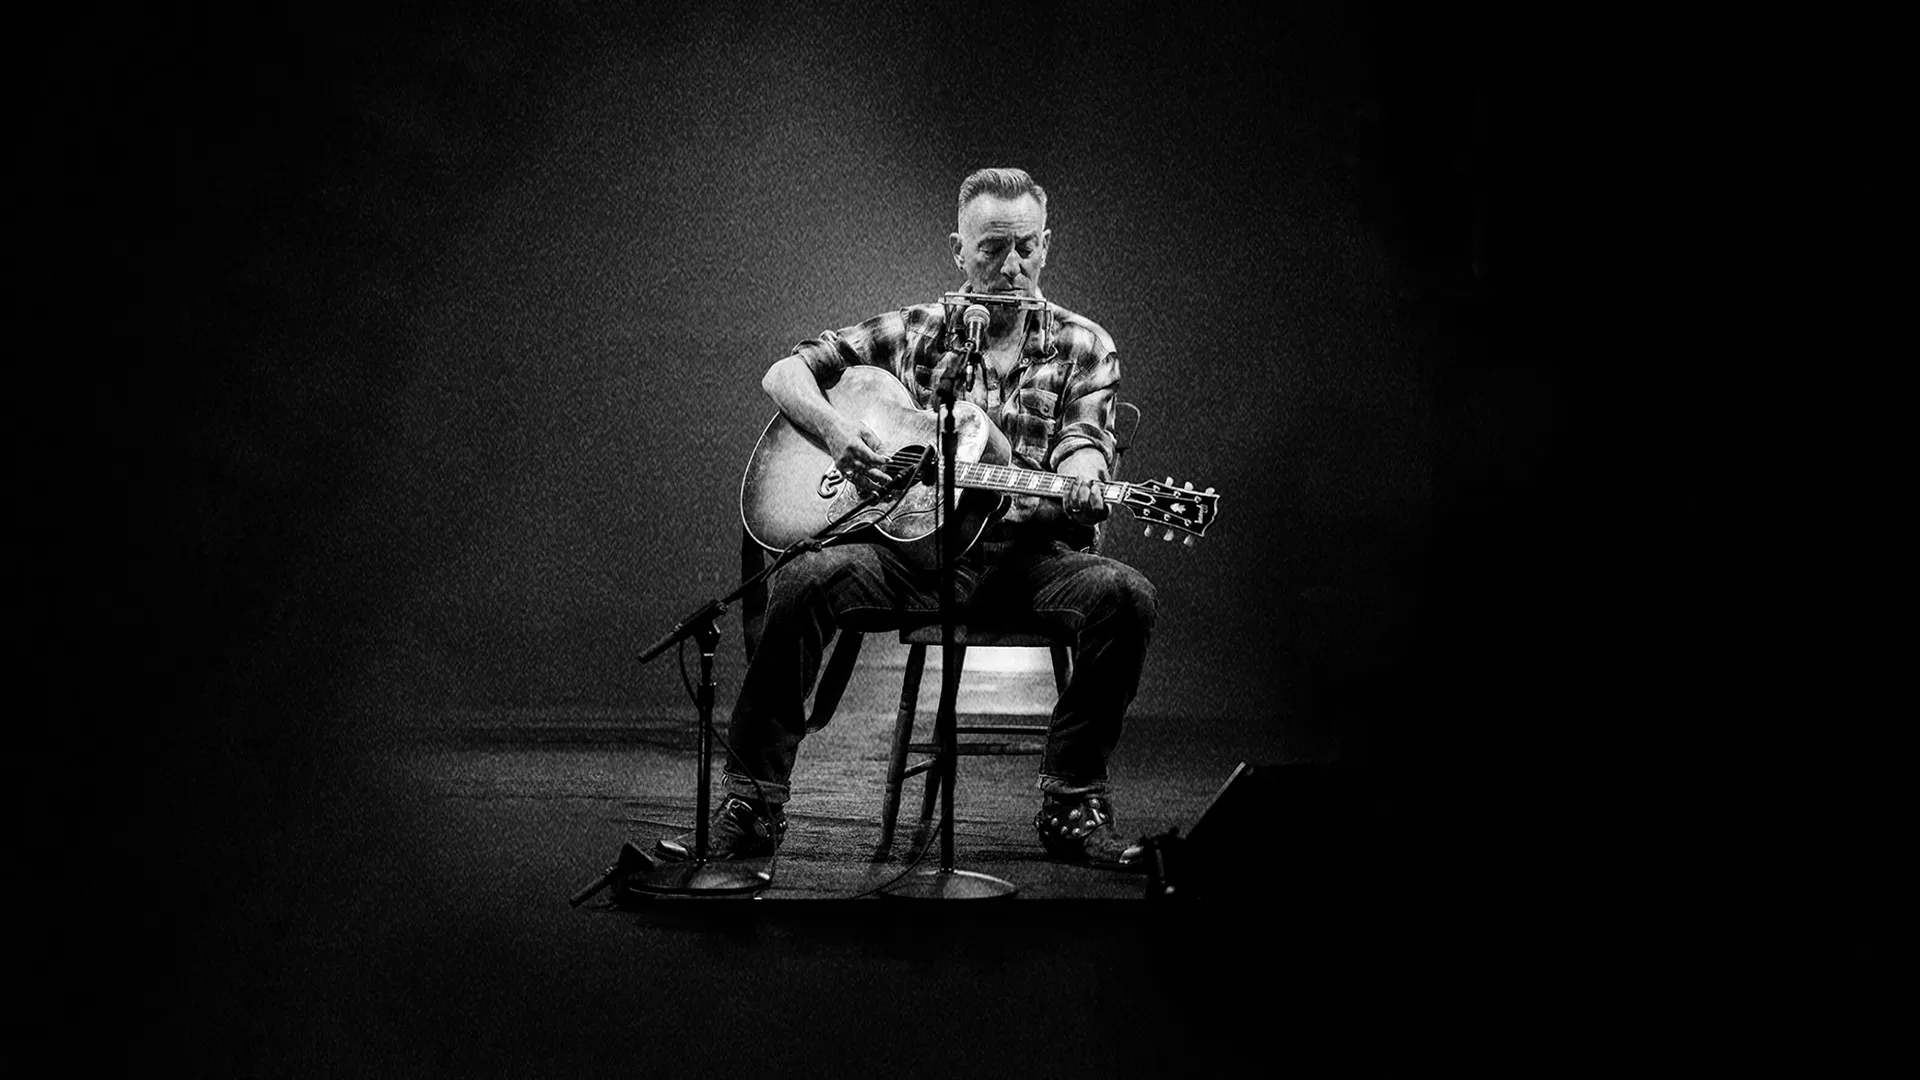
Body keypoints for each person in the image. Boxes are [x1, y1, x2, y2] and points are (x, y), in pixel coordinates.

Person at [657, 167, 1156, 869]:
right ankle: (754, 805)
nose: (1009, 267)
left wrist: (1083, 484)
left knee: (1124, 596)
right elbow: (784, 375)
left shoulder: (1085, 346)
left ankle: (1071, 801)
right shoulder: (915, 329)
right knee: (802, 581)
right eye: (990, 250)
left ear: (1046, 246)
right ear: (959, 249)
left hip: (1026, 561)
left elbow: (1083, 445)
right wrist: (836, 434)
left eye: (1024, 249)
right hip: (910, 559)